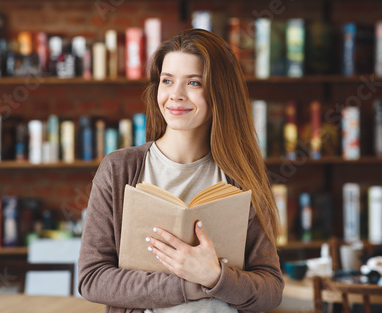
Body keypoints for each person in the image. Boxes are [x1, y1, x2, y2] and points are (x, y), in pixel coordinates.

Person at [78, 28, 284, 313]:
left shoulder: (241, 176)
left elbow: (271, 290)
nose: (175, 95)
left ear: (219, 93)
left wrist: (215, 277)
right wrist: (187, 284)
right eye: (167, 81)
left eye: (194, 83)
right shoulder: (119, 169)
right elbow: (93, 279)